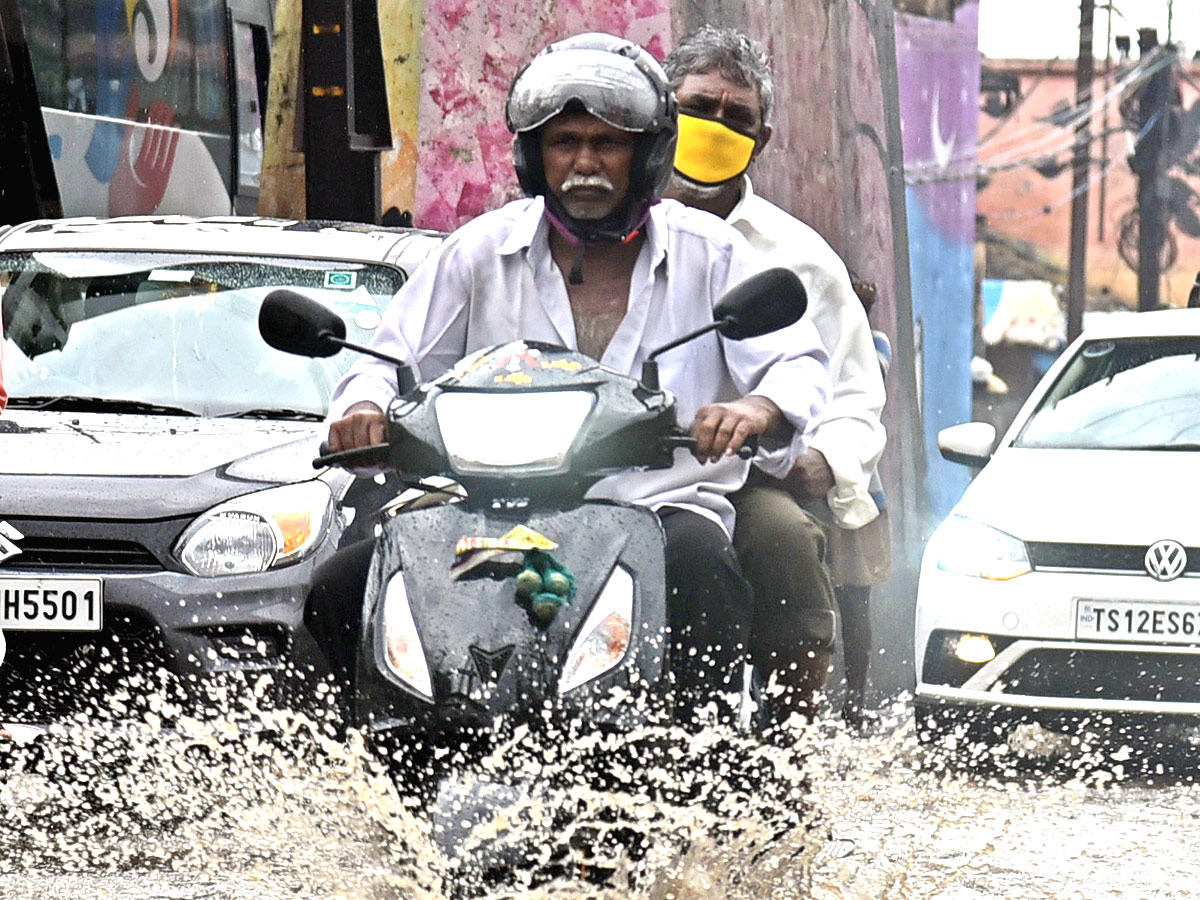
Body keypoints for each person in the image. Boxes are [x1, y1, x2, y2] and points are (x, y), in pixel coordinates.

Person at [305, 32, 831, 723]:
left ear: (646, 155)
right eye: (564, 143)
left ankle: (704, 763)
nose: (585, 163)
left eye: (607, 143)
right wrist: (366, 409)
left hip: (660, 506)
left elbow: (796, 361)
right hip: (479, 507)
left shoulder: (713, 253)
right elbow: (390, 360)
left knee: (703, 566)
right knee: (344, 582)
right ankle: (351, 760)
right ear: (534, 156)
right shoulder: (478, 252)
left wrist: (756, 410)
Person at [663, 27, 889, 730]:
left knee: (786, 543)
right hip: (598, 465)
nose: (716, 127)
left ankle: (782, 749)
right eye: (700, 107)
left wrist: (822, 457)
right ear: (662, 112)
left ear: (762, 139)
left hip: (741, 476)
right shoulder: (611, 226)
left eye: (738, 118)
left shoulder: (799, 258)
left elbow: (854, 393)